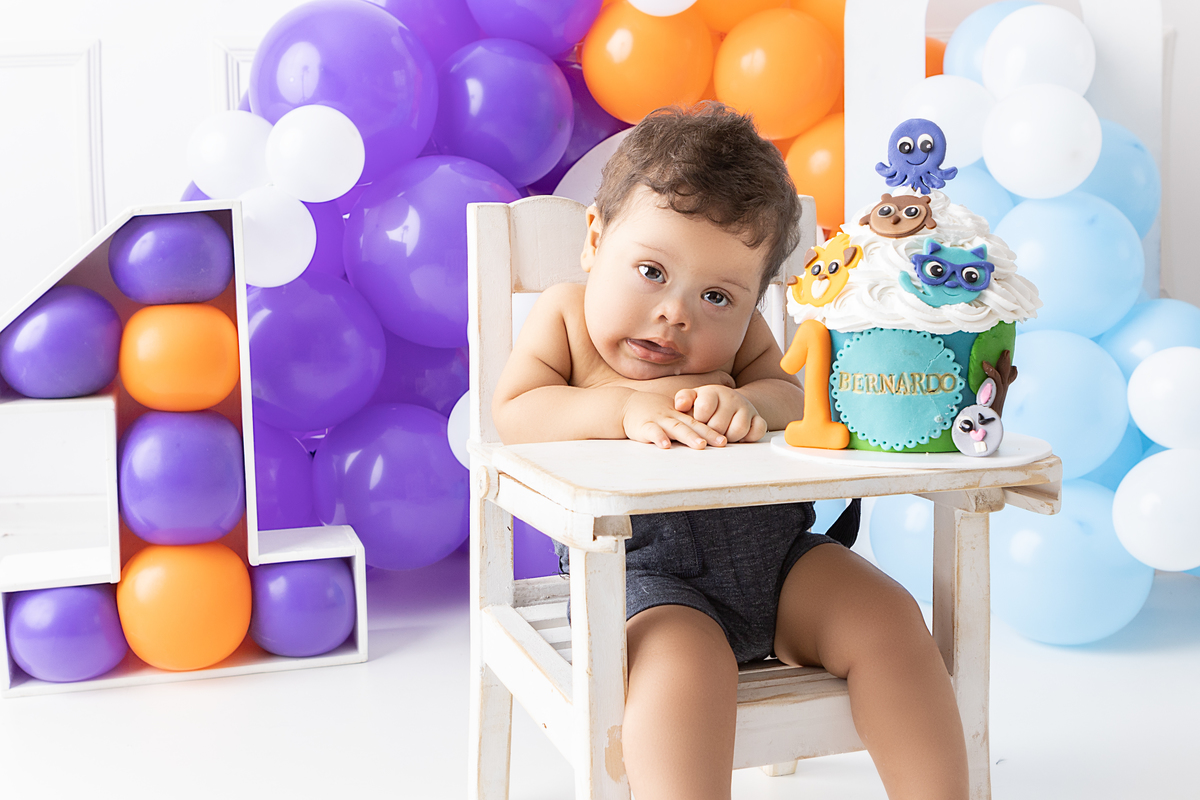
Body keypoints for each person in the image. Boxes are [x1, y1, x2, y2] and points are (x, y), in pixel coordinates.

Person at [491, 102, 969, 800]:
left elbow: (792, 395)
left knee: (889, 619)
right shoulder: (566, 316)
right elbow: (516, 412)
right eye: (651, 272)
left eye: (717, 295)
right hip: (644, 583)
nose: (677, 313)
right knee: (685, 670)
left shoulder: (742, 339)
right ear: (595, 239)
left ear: (754, 299)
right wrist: (624, 409)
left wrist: (750, 402)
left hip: (778, 562)